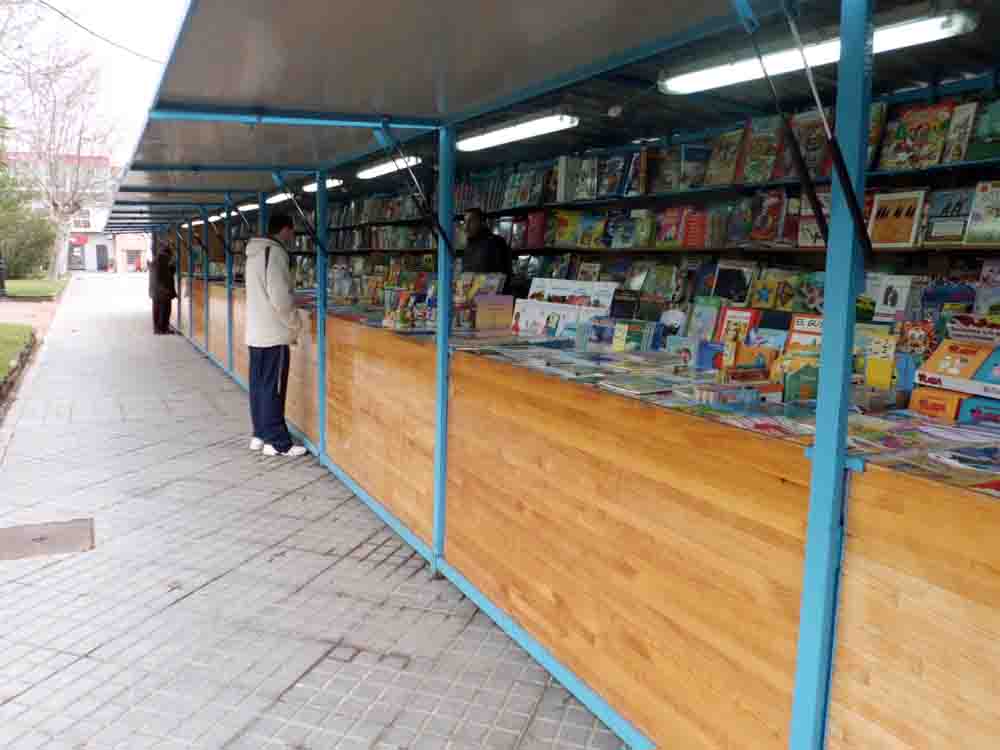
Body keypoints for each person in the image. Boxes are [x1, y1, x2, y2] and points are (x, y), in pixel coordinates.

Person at [245, 213, 307, 458]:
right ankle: (278, 442)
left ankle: (259, 435)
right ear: (285, 229)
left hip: (256, 332)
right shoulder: (276, 253)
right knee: (275, 388)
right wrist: (295, 324)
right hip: (273, 333)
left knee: (259, 386)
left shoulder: (254, 252)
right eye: (292, 232)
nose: (293, 237)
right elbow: (280, 299)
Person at [463, 208, 512, 282]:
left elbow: (503, 275)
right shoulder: (469, 245)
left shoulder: (496, 242)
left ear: (482, 223)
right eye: (465, 221)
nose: (466, 227)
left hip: (491, 292)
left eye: (471, 221)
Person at [149, 243, 176, 334]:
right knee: (164, 311)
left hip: (156, 292)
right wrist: (166, 290)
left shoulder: (156, 261)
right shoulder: (162, 261)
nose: (171, 258)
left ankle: (158, 329)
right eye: (171, 256)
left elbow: (166, 274)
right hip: (162, 292)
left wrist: (172, 267)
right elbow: (163, 277)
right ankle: (163, 329)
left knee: (157, 310)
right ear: (167, 254)